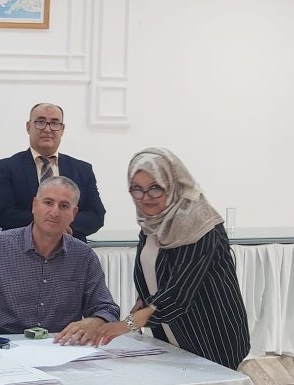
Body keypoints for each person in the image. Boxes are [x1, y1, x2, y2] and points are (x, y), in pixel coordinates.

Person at [91, 148, 249, 369]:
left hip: (210, 335)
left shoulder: (200, 224)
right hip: (173, 335)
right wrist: (140, 304)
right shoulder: (152, 223)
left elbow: (179, 292)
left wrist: (128, 324)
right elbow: (153, 273)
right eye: (137, 189)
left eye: (155, 188)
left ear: (173, 183)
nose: (145, 198)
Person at [0, 176, 119, 343]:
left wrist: (94, 322)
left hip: (57, 347)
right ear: (34, 205)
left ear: (74, 213)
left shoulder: (84, 256)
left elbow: (107, 308)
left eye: (64, 206)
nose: (55, 212)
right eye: (48, 202)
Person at [0, 103, 105, 239]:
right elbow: (3, 213)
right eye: (40, 122)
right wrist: (47, 226)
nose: (47, 129)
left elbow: (96, 214)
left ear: (62, 129)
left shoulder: (82, 169)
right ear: (28, 126)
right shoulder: (8, 167)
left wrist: (61, 225)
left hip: (71, 247)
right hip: (20, 247)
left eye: (54, 123)